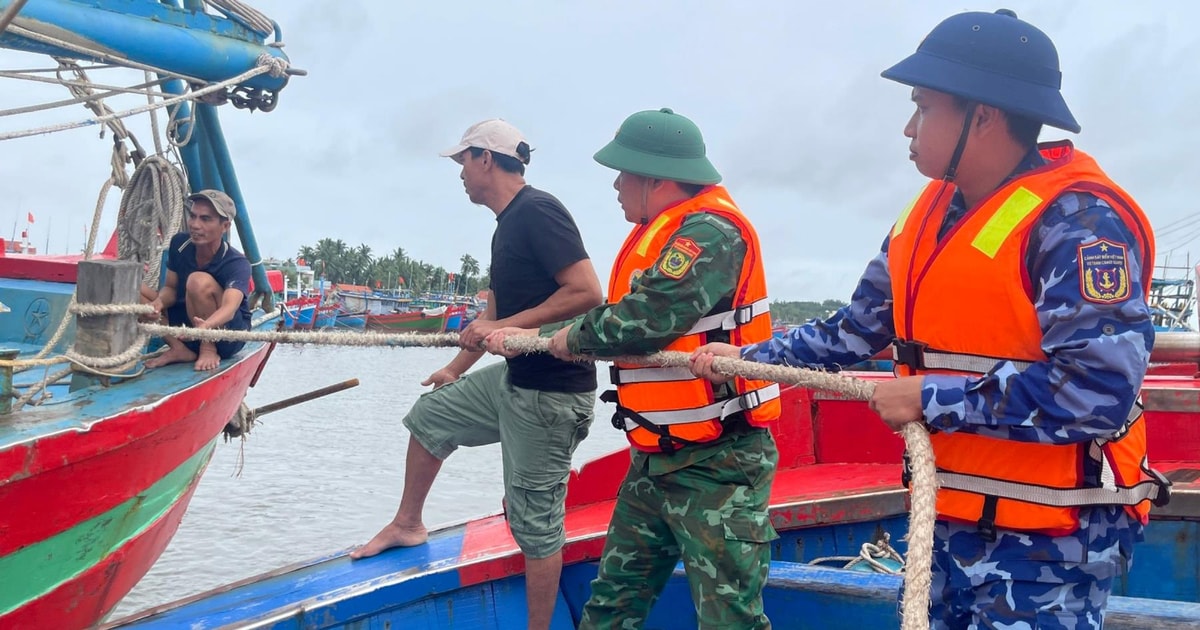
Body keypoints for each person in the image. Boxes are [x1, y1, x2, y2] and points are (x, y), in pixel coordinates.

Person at [691, 10, 1171, 629]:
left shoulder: (1078, 223)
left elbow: (1097, 392)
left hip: (1050, 542)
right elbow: (856, 329)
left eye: (923, 106)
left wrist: (930, 399)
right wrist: (752, 359)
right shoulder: (929, 214)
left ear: (984, 114)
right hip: (947, 519)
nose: (908, 127)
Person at [486, 108, 781, 629]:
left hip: (719, 466)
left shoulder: (710, 235)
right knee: (611, 608)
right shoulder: (663, 231)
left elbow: (646, 320)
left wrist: (564, 338)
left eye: (623, 175)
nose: (617, 186)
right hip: (654, 459)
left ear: (656, 180)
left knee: (729, 619)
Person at [350, 118, 602, 630]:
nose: (459, 173)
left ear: (486, 158)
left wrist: (505, 326)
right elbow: (495, 312)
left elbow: (586, 292)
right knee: (431, 416)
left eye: (462, 161)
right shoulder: (507, 223)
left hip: (551, 396)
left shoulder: (539, 211)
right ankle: (408, 524)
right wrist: (455, 365)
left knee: (534, 525)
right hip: (515, 380)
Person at [143, 189, 251, 371]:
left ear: (225, 227)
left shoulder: (237, 263)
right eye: (193, 216)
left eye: (205, 219)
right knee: (131, 289)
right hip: (187, 330)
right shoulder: (179, 244)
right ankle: (178, 349)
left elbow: (229, 309)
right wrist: (158, 303)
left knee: (197, 281)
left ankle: (208, 348)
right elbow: (170, 287)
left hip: (225, 337)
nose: (195, 224)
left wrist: (205, 328)